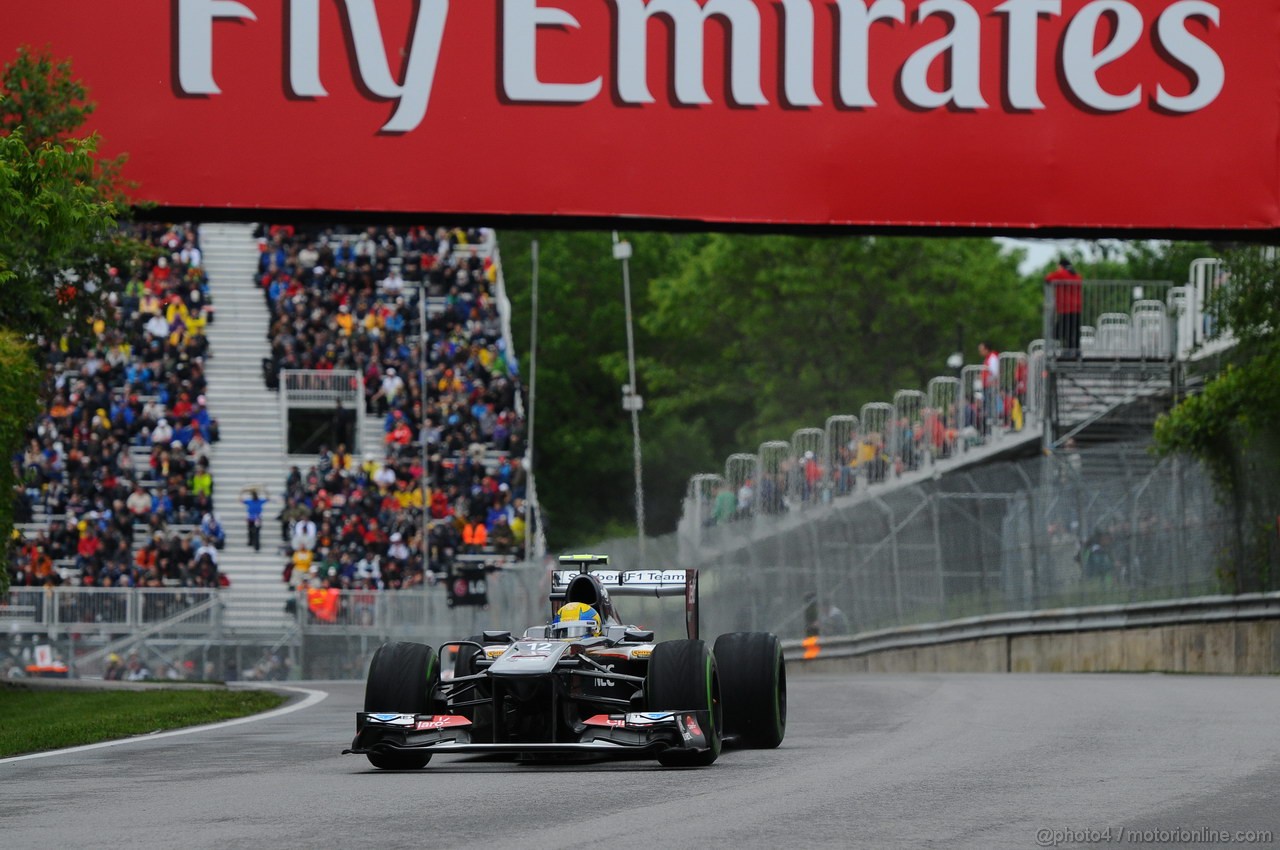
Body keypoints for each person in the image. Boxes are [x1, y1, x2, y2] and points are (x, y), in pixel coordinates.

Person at [1046, 258, 1083, 358]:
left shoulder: (1061, 274)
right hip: (1077, 308)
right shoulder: (1077, 275)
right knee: (1074, 331)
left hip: (1065, 308)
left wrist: (1058, 271)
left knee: (1062, 331)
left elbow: (1048, 278)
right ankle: (1076, 351)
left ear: (1061, 266)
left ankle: (1067, 351)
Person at [977, 341, 1000, 437]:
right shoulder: (989, 358)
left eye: (981, 350)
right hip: (988, 386)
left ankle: (992, 429)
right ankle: (990, 429)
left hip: (991, 386)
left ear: (986, 349)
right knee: (988, 407)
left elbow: (994, 373)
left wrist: (986, 379)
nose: (980, 352)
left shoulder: (992, 357)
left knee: (991, 407)